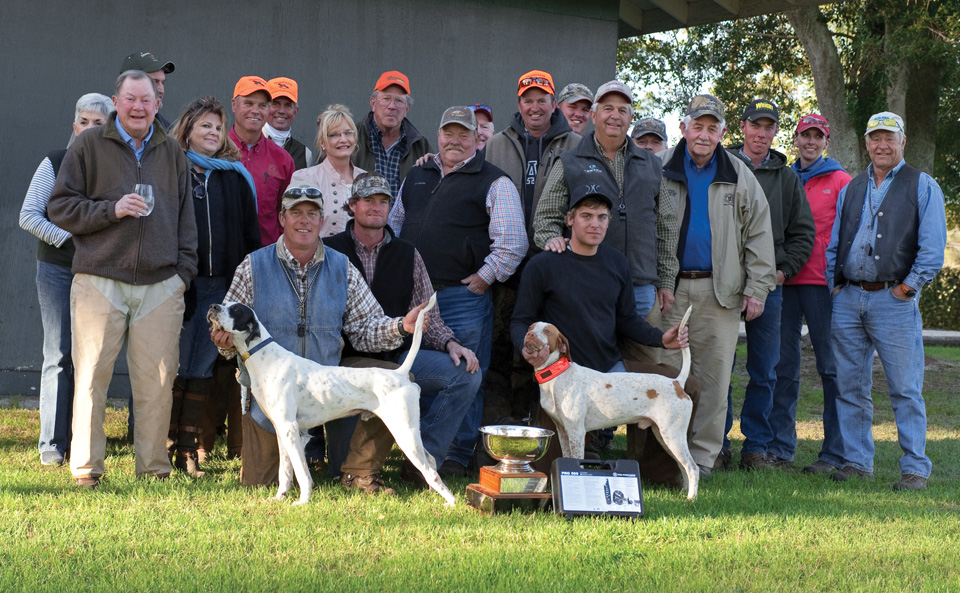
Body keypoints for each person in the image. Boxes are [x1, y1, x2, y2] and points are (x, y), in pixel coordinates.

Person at [210, 185, 430, 487]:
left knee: (395, 381)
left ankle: (359, 472)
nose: (304, 221)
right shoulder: (253, 266)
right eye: (296, 213)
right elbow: (228, 331)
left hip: (329, 384)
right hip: (271, 394)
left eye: (312, 214)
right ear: (282, 219)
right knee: (260, 484)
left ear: (321, 220)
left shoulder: (343, 267)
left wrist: (401, 326)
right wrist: (222, 343)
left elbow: (364, 329)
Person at [48, 70, 198, 488]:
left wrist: (182, 274)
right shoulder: (88, 146)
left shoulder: (172, 152)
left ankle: (153, 470)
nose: (137, 107)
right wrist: (110, 211)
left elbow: (187, 220)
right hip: (99, 278)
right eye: (129, 98)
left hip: (161, 284)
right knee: (92, 376)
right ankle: (86, 470)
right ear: (116, 101)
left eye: (145, 100)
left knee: (158, 381)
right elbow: (60, 208)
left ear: (157, 105)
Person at [511, 182, 690, 474]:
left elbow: (628, 319)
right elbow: (520, 319)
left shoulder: (617, 263)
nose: (595, 223)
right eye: (586, 215)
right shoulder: (543, 265)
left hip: (610, 369)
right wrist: (525, 346)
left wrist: (662, 339)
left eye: (602, 217)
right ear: (570, 219)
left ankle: (658, 475)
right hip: (562, 379)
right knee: (549, 472)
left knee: (685, 386)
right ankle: (582, 466)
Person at [389, 106, 527, 477]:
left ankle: (454, 456)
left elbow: (512, 242)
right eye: (448, 133)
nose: (455, 140)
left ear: (476, 139)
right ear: (438, 135)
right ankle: (417, 451)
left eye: (463, 134)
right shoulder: (417, 176)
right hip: (414, 300)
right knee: (419, 376)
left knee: (465, 374)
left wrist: (484, 277)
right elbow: (394, 226)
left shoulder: (494, 181)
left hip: (460, 298)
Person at [324, 173, 482, 493]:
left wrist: (451, 343)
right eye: (369, 200)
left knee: (465, 374)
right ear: (352, 205)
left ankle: (422, 464)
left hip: (395, 358)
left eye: (383, 201)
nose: (376, 207)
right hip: (339, 364)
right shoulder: (328, 252)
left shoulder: (408, 254)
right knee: (335, 466)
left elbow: (429, 315)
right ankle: (353, 468)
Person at [825, 111, 946, 491]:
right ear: (866, 143)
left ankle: (915, 468)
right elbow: (835, 243)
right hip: (848, 298)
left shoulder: (922, 185)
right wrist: (836, 285)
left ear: (903, 142)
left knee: (905, 388)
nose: (882, 144)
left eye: (889, 137)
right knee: (849, 386)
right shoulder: (852, 187)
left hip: (894, 301)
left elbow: (932, 249)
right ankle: (858, 462)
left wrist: (907, 289)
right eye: (875, 137)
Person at [656, 94, 776, 477]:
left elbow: (759, 234)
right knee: (664, 375)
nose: (704, 134)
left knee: (713, 379)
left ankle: (703, 459)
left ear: (724, 132)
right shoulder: (660, 168)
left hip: (719, 292)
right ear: (683, 128)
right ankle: (662, 457)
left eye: (713, 128)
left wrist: (757, 289)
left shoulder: (739, 173)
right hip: (668, 290)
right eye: (698, 126)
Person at [167, 96, 261, 476]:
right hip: (181, 283)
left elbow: (249, 234)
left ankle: (189, 449)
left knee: (204, 365)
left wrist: (245, 286)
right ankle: (168, 445)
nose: (213, 132)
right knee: (177, 365)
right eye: (205, 125)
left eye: (218, 127)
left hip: (222, 287)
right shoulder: (172, 170)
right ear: (188, 130)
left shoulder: (233, 176)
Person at [19, 92, 113, 466]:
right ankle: (52, 444)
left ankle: (82, 438)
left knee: (91, 356)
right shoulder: (55, 161)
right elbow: (28, 215)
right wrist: (72, 241)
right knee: (58, 354)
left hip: (99, 272)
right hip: (58, 270)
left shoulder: (113, 168)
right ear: (75, 126)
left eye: (99, 123)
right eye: (85, 121)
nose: (91, 128)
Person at [720, 99, 815, 470]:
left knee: (765, 369)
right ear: (742, 127)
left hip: (768, 286)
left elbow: (802, 233)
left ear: (776, 132)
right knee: (720, 366)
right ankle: (718, 442)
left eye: (768, 127)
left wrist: (782, 271)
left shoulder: (786, 177)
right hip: (724, 283)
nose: (761, 133)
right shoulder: (721, 165)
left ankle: (756, 447)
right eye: (755, 125)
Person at [768, 114, 851, 474]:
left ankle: (834, 451)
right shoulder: (784, 177)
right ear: (796, 139)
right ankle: (779, 448)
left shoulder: (840, 180)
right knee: (782, 366)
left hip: (823, 285)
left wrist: (841, 277)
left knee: (831, 369)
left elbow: (850, 231)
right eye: (805, 136)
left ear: (826, 141)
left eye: (817, 137)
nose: (810, 142)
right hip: (784, 283)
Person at [228, 75, 295, 246]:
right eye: (248, 103)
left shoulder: (283, 159)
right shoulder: (215, 151)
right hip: (222, 257)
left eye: (262, 105)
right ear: (234, 105)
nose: (255, 111)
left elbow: (286, 213)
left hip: (265, 256)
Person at [289, 105, 365, 238]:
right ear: (322, 142)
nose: (343, 139)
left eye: (348, 132)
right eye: (334, 135)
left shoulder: (365, 179)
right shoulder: (306, 178)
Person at [353, 70, 431, 199]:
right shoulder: (350, 138)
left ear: (407, 109)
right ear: (373, 103)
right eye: (386, 99)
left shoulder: (420, 146)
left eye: (399, 101)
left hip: (405, 219)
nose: (392, 106)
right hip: (360, 219)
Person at [263, 77, 314, 169]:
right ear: (265, 107)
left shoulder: (305, 154)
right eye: (275, 104)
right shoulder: (250, 143)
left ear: (295, 111)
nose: (281, 111)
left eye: (288, 105)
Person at [120, 51, 175, 130]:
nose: (161, 90)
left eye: (162, 83)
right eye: (154, 82)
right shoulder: (103, 125)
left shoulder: (169, 131)